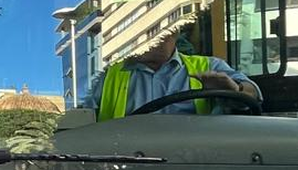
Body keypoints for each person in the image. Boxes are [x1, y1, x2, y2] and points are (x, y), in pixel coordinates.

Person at [85, 32, 261, 120]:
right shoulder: (106, 76)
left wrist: (235, 91)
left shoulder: (210, 66)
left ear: (175, 33)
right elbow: (79, 120)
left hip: (195, 168)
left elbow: (253, 96)